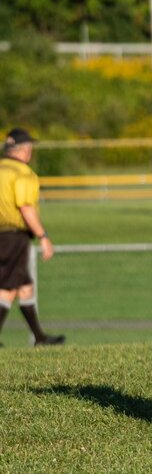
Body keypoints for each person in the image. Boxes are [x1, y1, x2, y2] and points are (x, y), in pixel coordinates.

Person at [0, 128, 63, 347]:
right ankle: (39, 338)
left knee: (24, 285)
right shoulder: (23, 173)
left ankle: (39, 337)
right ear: (24, 150)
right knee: (8, 287)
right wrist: (43, 236)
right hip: (13, 236)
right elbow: (25, 207)